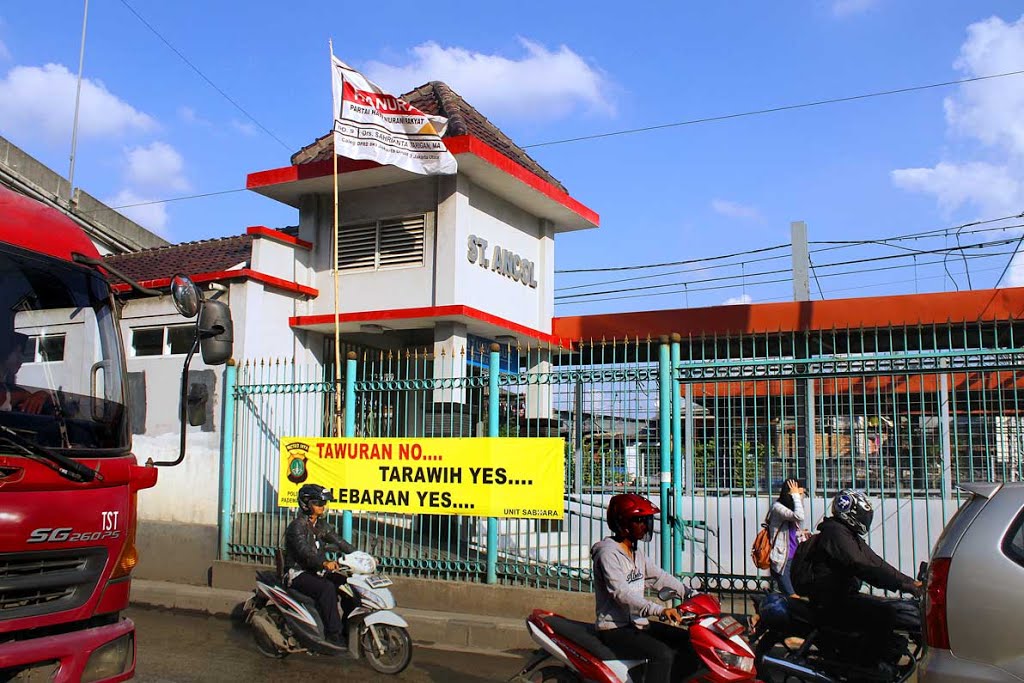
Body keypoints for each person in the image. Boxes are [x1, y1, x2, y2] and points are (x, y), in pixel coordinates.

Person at [793, 489, 922, 673]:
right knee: (885, 614)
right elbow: (861, 565)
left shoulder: (846, 534)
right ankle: (868, 667)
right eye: (863, 515)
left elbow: (876, 562)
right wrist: (901, 585)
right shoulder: (835, 533)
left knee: (894, 608)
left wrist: (909, 583)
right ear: (852, 513)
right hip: (831, 603)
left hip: (840, 597)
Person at [592, 493, 696, 683]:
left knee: (689, 641)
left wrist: (690, 593)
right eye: (639, 520)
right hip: (615, 628)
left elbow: (659, 576)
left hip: (637, 623)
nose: (645, 525)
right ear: (623, 523)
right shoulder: (607, 554)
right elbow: (621, 594)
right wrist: (659, 610)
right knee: (662, 654)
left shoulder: (635, 551)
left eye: (646, 520)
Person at [283, 483, 356, 645]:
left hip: (316, 570)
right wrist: (324, 563)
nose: (322, 506)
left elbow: (339, 541)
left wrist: (360, 555)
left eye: (323, 503)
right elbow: (305, 553)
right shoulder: (297, 527)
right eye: (318, 503)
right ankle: (333, 634)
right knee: (327, 588)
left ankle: (348, 627)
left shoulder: (320, 525)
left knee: (348, 585)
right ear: (306, 504)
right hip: (298, 573)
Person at [767, 478, 806, 597]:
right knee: (792, 596)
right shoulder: (777, 507)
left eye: (802, 494)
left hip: (795, 557)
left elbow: (791, 531)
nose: (801, 497)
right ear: (789, 493)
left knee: (791, 598)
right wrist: (796, 496)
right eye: (799, 494)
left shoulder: (790, 508)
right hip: (783, 559)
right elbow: (799, 516)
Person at [0, 332, 49, 414]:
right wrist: (22, 395)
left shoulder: (9, 388)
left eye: (22, 353)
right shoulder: (18, 393)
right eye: (17, 352)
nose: (21, 358)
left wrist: (44, 395)